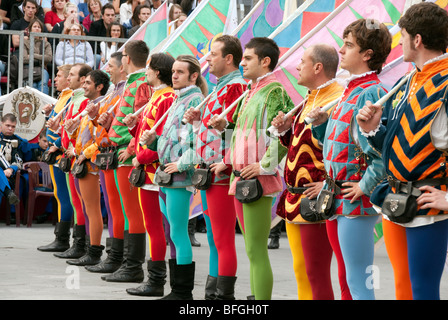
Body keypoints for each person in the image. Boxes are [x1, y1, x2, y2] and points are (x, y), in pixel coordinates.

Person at [356, 2, 448, 300]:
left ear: (417, 39)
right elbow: (398, 149)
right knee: (403, 287)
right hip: (396, 200)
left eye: (404, 35)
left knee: (422, 291)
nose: (400, 42)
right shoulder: (409, 79)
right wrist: (373, 129)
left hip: (428, 205)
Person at [307, 19, 391, 300]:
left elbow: (382, 150)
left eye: (349, 45)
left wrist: (364, 186)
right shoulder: (351, 90)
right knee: (347, 275)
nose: (341, 50)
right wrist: (320, 125)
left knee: (359, 279)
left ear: (367, 54)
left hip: (353, 198)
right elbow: (334, 145)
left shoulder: (371, 92)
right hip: (337, 195)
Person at [209, 37, 295, 300]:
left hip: (258, 180)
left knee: (256, 250)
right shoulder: (250, 91)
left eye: (247, 58)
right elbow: (238, 136)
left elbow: (285, 134)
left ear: (265, 61)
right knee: (251, 249)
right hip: (241, 178)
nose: (242, 63)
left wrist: (263, 166)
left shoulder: (275, 91)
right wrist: (224, 128)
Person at [270, 44, 347, 300]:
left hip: (315, 199)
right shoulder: (310, 96)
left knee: (317, 273)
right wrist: (285, 130)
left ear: (318, 67)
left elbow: (342, 148)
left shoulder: (337, 97)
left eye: (302, 61)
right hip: (294, 197)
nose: (297, 66)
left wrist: (327, 182)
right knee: (302, 271)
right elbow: (302, 146)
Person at [183, 35, 246, 300]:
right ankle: (213, 293)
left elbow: (239, 132)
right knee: (214, 239)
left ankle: (222, 296)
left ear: (228, 58)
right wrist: (198, 123)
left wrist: (228, 163)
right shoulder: (219, 88)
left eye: (213, 54)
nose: (207, 59)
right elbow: (210, 133)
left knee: (221, 238)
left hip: (221, 172)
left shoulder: (236, 88)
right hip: (209, 170)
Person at [139, 54, 207, 300]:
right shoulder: (180, 99)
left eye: (180, 72)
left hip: (179, 177)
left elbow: (198, 139)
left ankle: (182, 292)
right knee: (172, 233)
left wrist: (182, 163)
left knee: (178, 232)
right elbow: (176, 138)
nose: (174, 75)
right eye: (174, 71)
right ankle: (175, 290)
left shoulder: (196, 100)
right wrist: (155, 141)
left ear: (194, 76)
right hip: (166, 175)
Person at [123, 52, 176, 297]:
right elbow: (145, 133)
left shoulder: (166, 97)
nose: (145, 72)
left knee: (157, 228)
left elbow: (163, 138)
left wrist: (141, 157)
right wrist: (134, 124)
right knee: (153, 226)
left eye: (148, 68)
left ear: (157, 71)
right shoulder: (158, 96)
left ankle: (156, 281)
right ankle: (154, 278)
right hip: (148, 169)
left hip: (154, 171)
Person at [101, 40, 151, 283]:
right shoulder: (132, 83)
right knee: (125, 210)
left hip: (127, 154)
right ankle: (126, 262)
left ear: (127, 60)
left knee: (132, 212)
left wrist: (131, 148)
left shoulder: (139, 84)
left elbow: (143, 123)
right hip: (121, 150)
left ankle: (133, 266)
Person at [84, 51, 127, 274]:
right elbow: (102, 127)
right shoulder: (114, 93)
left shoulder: (124, 91)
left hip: (115, 154)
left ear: (123, 65)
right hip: (104, 153)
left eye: (111, 65)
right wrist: (94, 117)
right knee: (110, 208)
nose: (107, 69)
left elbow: (118, 129)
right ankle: (113, 256)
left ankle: (119, 258)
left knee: (117, 210)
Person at [64, 69, 110, 266]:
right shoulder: (90, 107)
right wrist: (71, 133)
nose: (84, 86)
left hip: (90, 164)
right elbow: (84, 136)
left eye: (88, 83)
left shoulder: (101, 107)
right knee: (87, 207)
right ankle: (90, 249)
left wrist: (84, 154)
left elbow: (102, 139)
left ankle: (94, 251)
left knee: (92, 209)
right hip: (82, 161)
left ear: (99, 87)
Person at [51, 63, 92, 260]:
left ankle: (83, 245)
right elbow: (71, 129)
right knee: (75, 201)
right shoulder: (72, 98)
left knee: (81, 203)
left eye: (71, 75)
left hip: (78, 154)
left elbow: (84, 130)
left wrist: (70, 144)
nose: (67, 79)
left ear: (83, 79)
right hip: (71, 153)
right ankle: (77, 244)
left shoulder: (83, 100)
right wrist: (59, 130)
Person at [37, 64, 75, 253]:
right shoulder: (62, 97)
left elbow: (68, 127)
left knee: (63, 196)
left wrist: (58, 144)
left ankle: (62, 239)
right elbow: (55, 125)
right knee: (60, 196)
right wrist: (47, 114)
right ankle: (60, 238)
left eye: (59, 76)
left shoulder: (69, 98)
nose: (56, 79)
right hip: (55, 151)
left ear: (69, 78)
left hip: (60, 152)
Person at [23, 18, 52, 94]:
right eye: (35, 26)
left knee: (43, 84)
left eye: (39, 27)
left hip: (42, 68)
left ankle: (44, 105)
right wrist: (41, 57)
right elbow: (24, 58)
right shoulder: (25, 42)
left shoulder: (46, 44)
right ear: (30, 29)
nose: (37, 29)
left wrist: (32, 55)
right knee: (32, 85)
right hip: (28, 68)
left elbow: (49, 58)